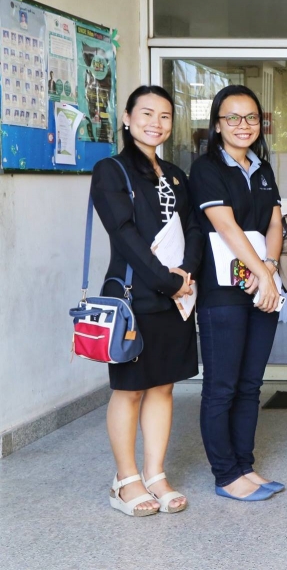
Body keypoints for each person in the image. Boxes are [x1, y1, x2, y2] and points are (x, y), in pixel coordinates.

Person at [91, 85, 202, 516]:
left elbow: (193, 227)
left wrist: (186, 273)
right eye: (147, 113)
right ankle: (125, 480)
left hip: (176, 296)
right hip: (133, 297)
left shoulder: (175, 174)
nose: (156, 123)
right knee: (130, 390)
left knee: (163, 386)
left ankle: (155, 474)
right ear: (127, 117)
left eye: (165, 116)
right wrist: (167, 281)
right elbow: (124, 234)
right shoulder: (111, 170)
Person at [189, 84, 284, 502]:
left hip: (263, 287)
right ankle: (225, 474)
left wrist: (270, 269)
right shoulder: (205, 169)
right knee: (222, 386)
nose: (243, 125)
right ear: (217, 124)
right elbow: (225, 226)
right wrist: (263, 273)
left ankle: (245, 465)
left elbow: (275, 222)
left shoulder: (262, 169)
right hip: (222, 292)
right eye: (232, 117)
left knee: (250, 385)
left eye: (251, 118)